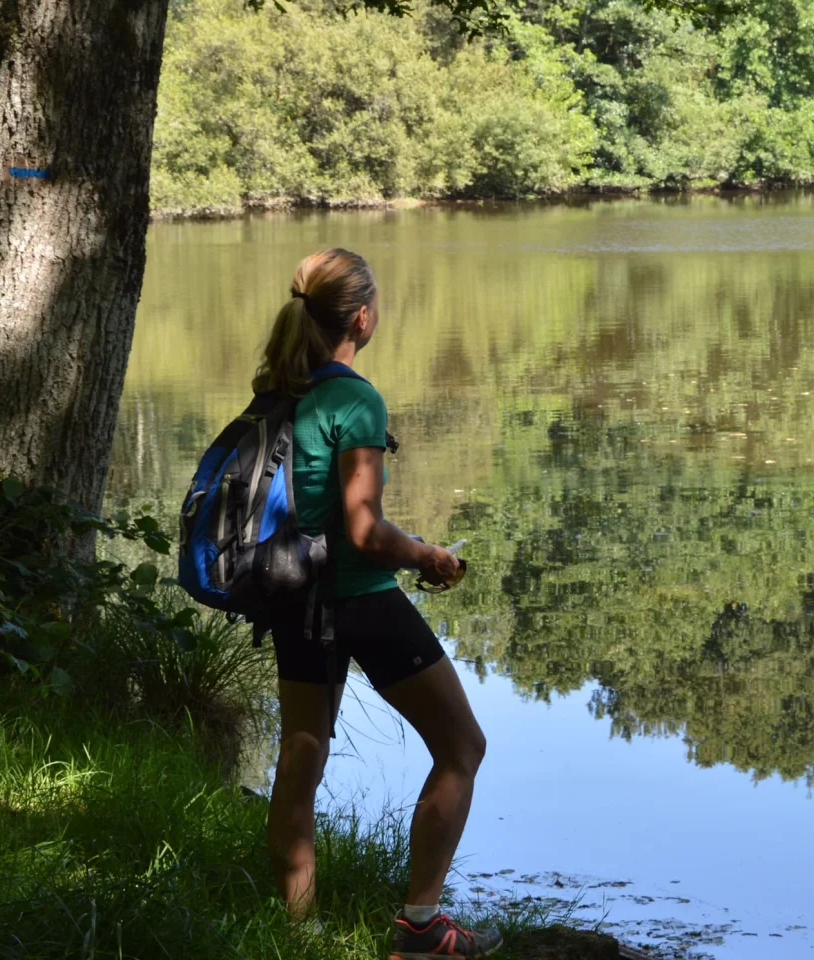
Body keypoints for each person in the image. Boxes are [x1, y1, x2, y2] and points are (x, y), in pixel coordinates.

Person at [257, 248, 499, 959]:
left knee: (300, 756)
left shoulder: (279, 389)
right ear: (361, 318)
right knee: (462, 746)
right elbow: (364, 533)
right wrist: (428, 556)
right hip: (358, 598)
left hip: (293, 595)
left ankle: (297, 931)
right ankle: (421, 926)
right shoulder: (355, 400)